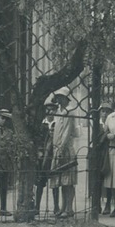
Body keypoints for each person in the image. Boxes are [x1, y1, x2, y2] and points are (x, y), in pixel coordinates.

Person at [48, 86, 79, 219]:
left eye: (61, 97)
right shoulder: (58, 112)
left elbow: (67, 132)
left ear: (66, 98)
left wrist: (61, 147)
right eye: (58, 97)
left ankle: (69, 208)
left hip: (66, 149)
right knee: (60, 179)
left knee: (68, 181)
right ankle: (62, 206)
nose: (59, 100)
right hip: (57, 148)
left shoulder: (70, 112)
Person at [35, 98, 58, 217]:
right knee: (40, 182)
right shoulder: (41, 124)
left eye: (53, 109)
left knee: (55, 182)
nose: (50, 111)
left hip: (54, 156)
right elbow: (38, 139)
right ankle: (36, 207)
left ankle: (56, 207)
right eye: (48, 109)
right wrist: (39, 151)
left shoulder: (58, 123)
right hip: (42, 156)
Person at [0, 109, 16, 217]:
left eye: (6, 119)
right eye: (2, 118)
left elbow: (12, 147)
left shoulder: (10, 132)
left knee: (4, 187)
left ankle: (3, 208)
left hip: (6, 163)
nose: (4, 121)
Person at [96, 101, 113, 215]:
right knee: (97, 180)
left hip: (109, 152)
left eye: (107, 111)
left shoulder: (112, 124)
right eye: (103, 111)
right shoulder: (96, 124)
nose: (105, 114)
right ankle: (96, 204)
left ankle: (108, 204)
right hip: (98, 153)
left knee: (109, 179)